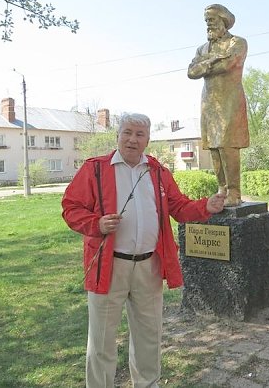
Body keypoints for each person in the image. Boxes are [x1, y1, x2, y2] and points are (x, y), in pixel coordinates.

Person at [61, 113, 225, 388]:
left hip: (149, 266)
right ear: (118, 136)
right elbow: (71, 208)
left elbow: (178, 207)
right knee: (101, 341)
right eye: (127, 132)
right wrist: (97, 223)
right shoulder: (95, 169)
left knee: (149, 338)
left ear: (148, 139)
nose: (132, 139)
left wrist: (205, 206)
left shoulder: (158, 171)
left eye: (139, 134)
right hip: (109, 267)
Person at [187, 4, 249, 207]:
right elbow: (192, 72)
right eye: (206, 21)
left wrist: (206, 64)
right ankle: (222, 188)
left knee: (227, 145)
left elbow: (227, 64)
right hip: (209, 102)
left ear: (223, 20)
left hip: (229, 100)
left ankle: (234, 192)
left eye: (212, 20)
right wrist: (211, 60)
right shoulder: (202, 48)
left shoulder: (237, 42)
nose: (208, 24)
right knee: (213, 147)